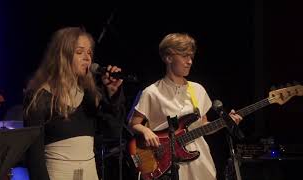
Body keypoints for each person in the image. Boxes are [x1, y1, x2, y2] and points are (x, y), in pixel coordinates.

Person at [129, 33, 242, 180]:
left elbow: (204, 125)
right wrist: (145, 130)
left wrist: (226, 122)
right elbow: (133, 124)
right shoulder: (152, 92)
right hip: (165, 164)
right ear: (168, 58)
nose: (189, 61)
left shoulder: (197, 89)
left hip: (200, 162)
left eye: (191, 57)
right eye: (184, 56)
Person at [23, 27, 125, 180]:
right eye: (79, 52)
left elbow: (113, 132)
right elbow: (34, 159)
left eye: (89, 53)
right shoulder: (40, 96)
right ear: (62, 56)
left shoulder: (91, 95)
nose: (87, 58)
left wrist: (112, 96)